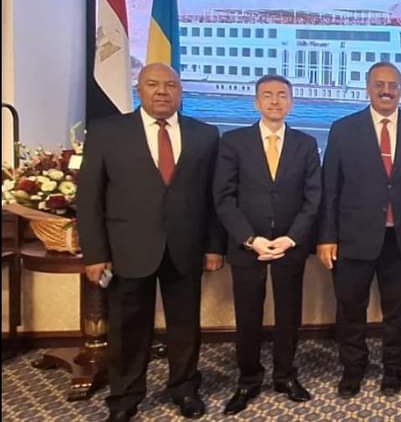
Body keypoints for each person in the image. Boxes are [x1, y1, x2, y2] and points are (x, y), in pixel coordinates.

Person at [77, 63, 225, 421]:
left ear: (180, 92)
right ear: (138, 90)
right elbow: (89, 197)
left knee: (185, 326)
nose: (162, 91)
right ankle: (125, 398)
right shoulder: (107, 132)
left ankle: (184, 388)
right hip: (127, 249)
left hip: (185, 248)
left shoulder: (205, 134)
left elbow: (214, 197)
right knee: (127, 328)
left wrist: (214, 246)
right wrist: (95, 253)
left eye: (171, 85)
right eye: (153, 84)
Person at [316, 62, 401, 397]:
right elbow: (330, 189)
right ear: (368, 88)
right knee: (350, 309)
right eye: (379, 84)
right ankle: (353, 368)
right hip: (352, 238)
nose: (386, 91)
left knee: (398, 311)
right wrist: (326, 236)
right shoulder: (343, 129)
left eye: (393, 85)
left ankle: (393, 369)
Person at [213, 75, 321, 414]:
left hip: (290, 244)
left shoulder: (306, 144)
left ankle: (286, 375)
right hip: (248, 245)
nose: (275, 101)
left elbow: (313, 197)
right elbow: (224, 197)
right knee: (248, 316)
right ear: (256, 102)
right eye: (268, 95)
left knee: (289, 315)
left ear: (291, 102)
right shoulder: (233, 142)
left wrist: (292, 237)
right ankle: (248, 379)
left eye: (282, 95)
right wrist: (251, 239)